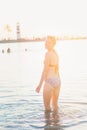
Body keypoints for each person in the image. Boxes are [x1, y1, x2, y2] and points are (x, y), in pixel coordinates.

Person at [35, 36, 61, 112]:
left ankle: (48, 123)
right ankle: (56, 122)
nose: (46, 43)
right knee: (55, 106)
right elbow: (57, 68)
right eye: (46, 41)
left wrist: (39, 86)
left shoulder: (48, 54)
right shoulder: (55, 53)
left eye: (49, 42)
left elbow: (45, 71)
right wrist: (58, 80)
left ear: (53, 44)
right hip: (57, 81)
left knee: (47, 108)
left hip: (49, 81)